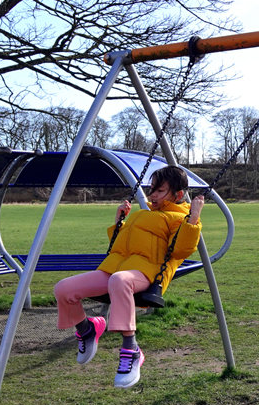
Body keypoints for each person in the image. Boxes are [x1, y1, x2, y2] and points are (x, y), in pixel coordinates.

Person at [54, 165, 205, 388]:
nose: (153, 195)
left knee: (120, 280)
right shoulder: (142, 214)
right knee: (63, 289)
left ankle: (131, 350)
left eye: (160, 191)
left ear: (178, 194)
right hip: (116, 269)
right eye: (152, 189)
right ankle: (87, 329)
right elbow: (120, 247)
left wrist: (194, 218)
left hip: (148, 274)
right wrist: (119, 223)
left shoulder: (180, 218)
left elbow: (181, 250)